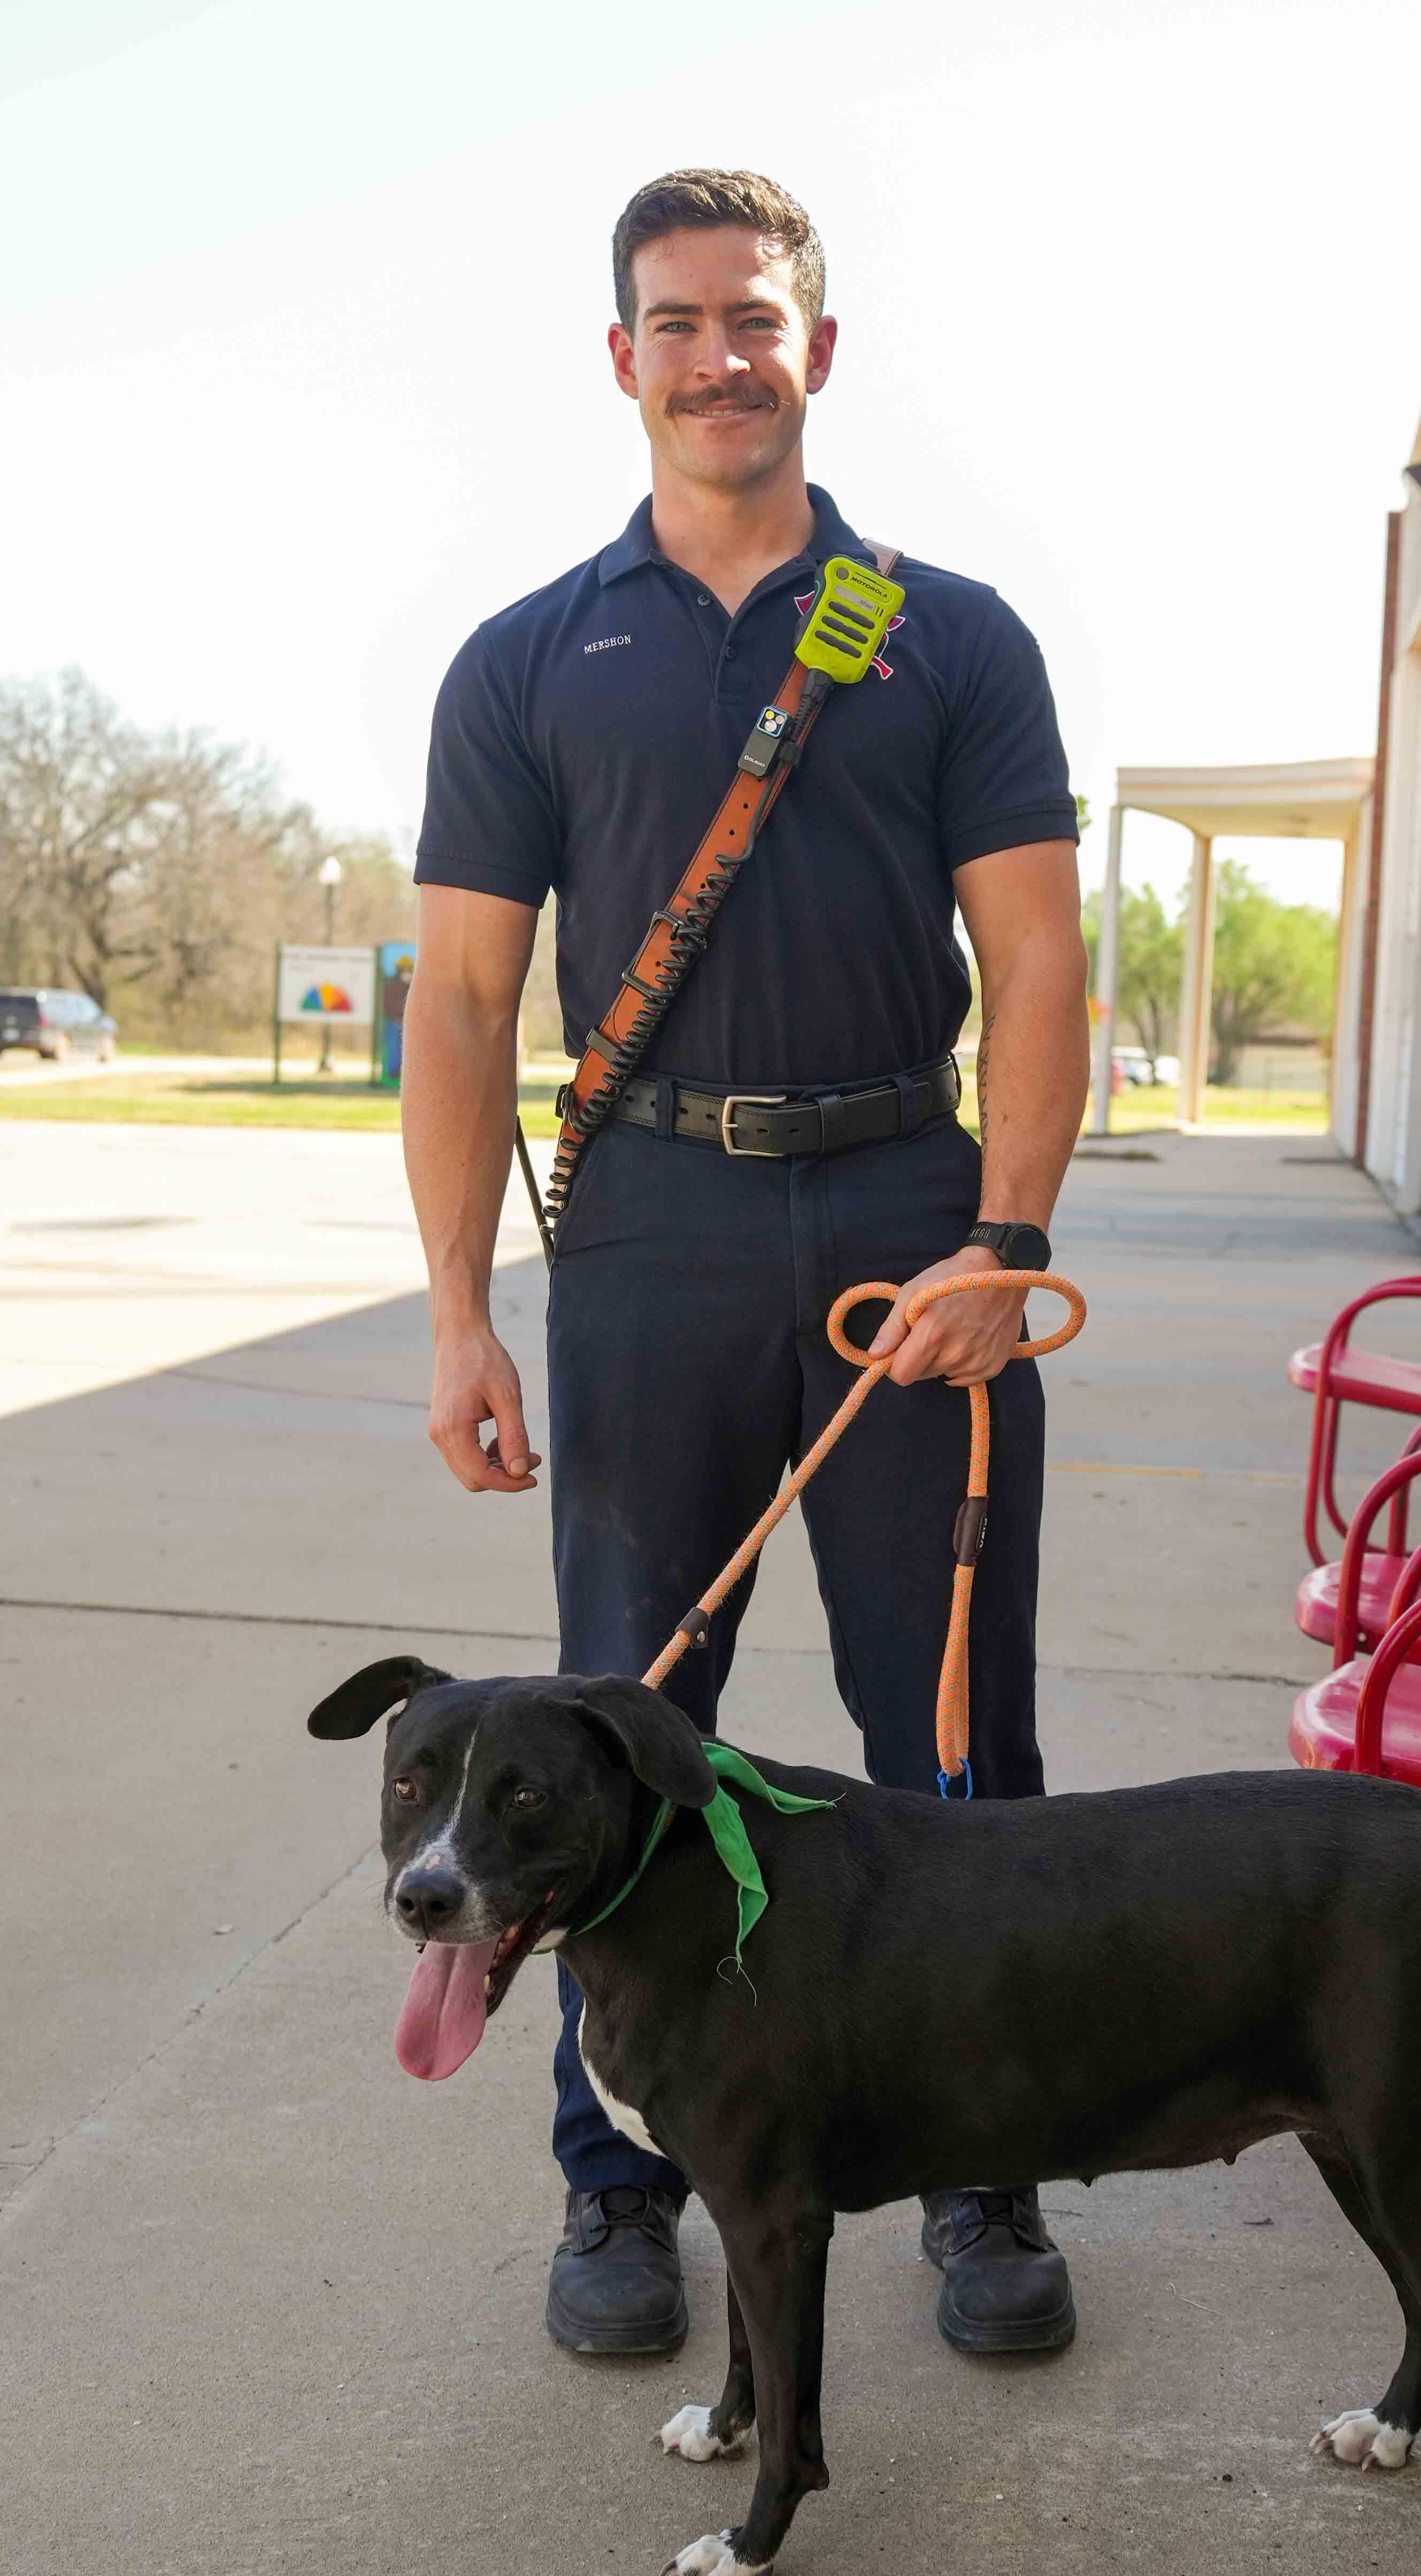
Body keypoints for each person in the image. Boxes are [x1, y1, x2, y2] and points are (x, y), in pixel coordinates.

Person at [403, 167, 1089, 2360]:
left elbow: (1042, 956)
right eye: (680, 321)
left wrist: (1007, 1229)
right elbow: (455, 1005)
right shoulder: (527, 657)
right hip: (650, 1236)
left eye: (758, 318)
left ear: (818, 348)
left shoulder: (949, 632)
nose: (722, 353)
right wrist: (456, 1304)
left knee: (951, 1733)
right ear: (624, 359)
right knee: (605, 1740)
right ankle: (616, 2180)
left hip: (908, 1213)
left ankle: (982, 2168)